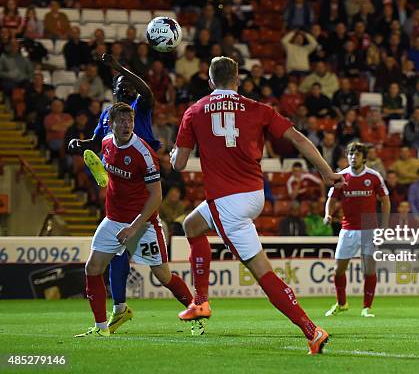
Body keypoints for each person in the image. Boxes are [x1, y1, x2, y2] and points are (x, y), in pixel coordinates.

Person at [171, 56, 343, 354]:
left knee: (262, 273)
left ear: (210, 82)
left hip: (227, 201)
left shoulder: (194, 111)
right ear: (238, 80)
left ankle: (202, 304)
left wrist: (173, 155)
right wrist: (326, 172)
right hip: (254, 195)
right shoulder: (258, 109)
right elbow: (299, 139)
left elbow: (180, 164)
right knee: (192, 225)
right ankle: (202, 302)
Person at [74, 103, 193, 337]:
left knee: (163, 276)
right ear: (111, 124)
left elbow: (157, 197)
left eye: (130, 120)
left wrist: (133, 227)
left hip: (143, 223)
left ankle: (196, 312)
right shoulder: (106, 142)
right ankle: (101, 329)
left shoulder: (144, 153)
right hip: (113, 219)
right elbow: (111, 173)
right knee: (92, 268)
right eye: (122, 121)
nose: (128, 125)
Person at [67, 53, 162, 335]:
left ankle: (194, 310)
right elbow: (97, 142)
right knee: (113, 258)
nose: (124, 90)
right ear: (114, 90)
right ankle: (116, 313)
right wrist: (79, 142)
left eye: (127, 87)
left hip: (144, 178)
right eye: (120, 86)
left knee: (161, 273)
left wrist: (120, 68)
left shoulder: (138, 109)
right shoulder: (108, 116)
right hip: (119, 190)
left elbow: (146, 91)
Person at [323, 142, 390, 318]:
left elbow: (385, 200)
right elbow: (331, 199)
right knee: (338, 270)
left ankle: (367, 307)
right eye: (351, 154)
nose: (353, 157)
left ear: (364, 157)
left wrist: (384, 225)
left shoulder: (374, 177)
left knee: (369, 270)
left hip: (370, 230)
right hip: (348, 229)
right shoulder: (342, 177)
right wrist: (328, 215)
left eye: (357, 154)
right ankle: (341, 303)